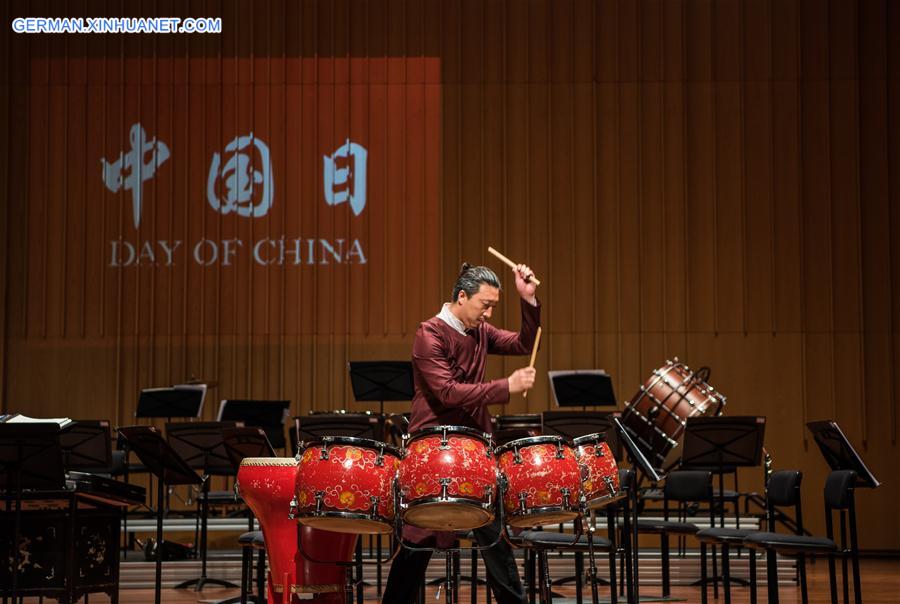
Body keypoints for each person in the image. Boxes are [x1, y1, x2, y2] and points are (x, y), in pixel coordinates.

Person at [382, 262, 541, 603]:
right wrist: (506, 386)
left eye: (494, 306)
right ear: (462, 296)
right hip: (433, 447)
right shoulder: (430, 333)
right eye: (485, 305)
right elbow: (448, 392)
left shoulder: (480, 331)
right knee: (417, 537)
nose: (488, 313)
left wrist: (527, 300)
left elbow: (524, 343)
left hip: (474, 447)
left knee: (494, 537)